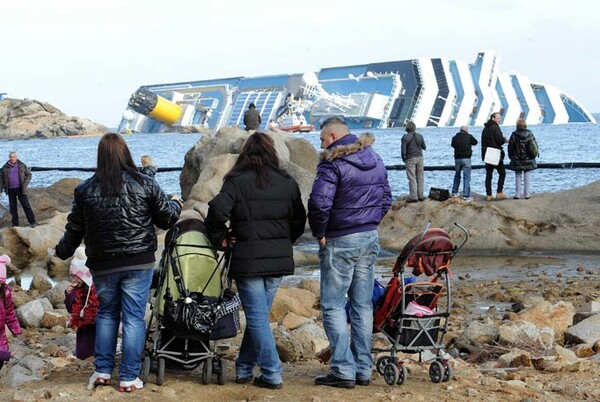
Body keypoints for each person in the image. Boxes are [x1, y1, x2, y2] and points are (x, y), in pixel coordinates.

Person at [54, 133, 182, 392]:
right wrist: (176, 203)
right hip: (138, 262)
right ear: (126, 153)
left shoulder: (85, 190)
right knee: (134, 317)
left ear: (100, 156)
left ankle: (102, 371)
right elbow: (166, 219)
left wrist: (61, 251)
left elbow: (74, 229)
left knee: (107, 314)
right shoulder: (144, 183)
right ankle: (128, 377)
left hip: (103, 264)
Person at [206, 132, 306, 390]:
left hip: (248, 260)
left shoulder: (236, 181)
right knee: (258, 315)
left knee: (258, 316)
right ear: (272, 153)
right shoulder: (287, 181)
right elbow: (299, 219)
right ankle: (244, 367)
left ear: (245, 154)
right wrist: (286, 241)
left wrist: (221, 239)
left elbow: (216, 212)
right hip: (277, 260)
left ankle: (272, 373)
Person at [308, 117, 391, 388]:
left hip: (340, 239)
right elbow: (387, 196)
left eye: (321, 139)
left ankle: (343, 369)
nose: (320, 144)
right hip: (368, 237)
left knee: (332, 304)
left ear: (333, 136)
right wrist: (370, 222)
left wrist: (320, 233)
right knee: (363, 304)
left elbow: (319, 203)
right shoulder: (374, 157)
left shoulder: (332, 162)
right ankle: (363, 368)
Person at [64, 256, 99, 360]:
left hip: (96, 323)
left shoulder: (95, 289)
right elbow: (71, 309)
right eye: (72, 276)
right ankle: (82, 358)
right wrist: (69, 295)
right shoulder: (75, 291)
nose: (74, 280)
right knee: (83, 348)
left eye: (76, 277)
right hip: (83, 326)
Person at [0, 152, 37, 227]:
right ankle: (15, 225)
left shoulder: (22, 165)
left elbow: (29, 174)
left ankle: (32, 222)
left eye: (14, 157)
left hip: (21, 189)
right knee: (13, 208)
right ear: (9, 158)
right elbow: (1, 180)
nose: (12, 158)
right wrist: (0, 191)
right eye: (11, 157)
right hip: (10, 190)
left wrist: (25, 184)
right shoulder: (4, 167)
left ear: (16, 157)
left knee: (26, 206)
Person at [508, 119, 539, 200]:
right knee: (527, 176)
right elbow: (535, 145)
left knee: (518, 176)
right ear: (525, 125)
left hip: (517, 158)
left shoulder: (514, 134)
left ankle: (517, 194)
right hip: (528, 158)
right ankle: (527, 194)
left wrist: (510, 156)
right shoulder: (530, 134)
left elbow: (510, 147)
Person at [0, 254, 21, 371]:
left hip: (1, 335)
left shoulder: (5, 293)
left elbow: (9, 313)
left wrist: (15, 329)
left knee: (1, 359)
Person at [481, 112, 508, 201]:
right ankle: (499, 192)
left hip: (487, 154)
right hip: (495, 153)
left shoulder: (485, 129)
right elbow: (499, 140)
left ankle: (489, 194)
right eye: (498, 118)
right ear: (493, 118)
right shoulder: (495, 128)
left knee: (489, 174)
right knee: (502, 173)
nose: (499, 120)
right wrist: (504, 139)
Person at [451, 126, 478, 201]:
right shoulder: (469, 136)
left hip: (457, 159)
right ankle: (466, 196)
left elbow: (452, 145)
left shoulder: (455, 137)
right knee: (466, 177)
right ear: (466, 130)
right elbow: (475, 142)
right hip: (466, 158)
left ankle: (454, 192)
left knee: (457, 175)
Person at [401, 121, 426, 202]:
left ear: (407, 128)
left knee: (412, 178)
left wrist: (404, 159)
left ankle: (413, 196)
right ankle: (421, 195)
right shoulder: (420, 136)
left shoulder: (405, 137)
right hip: (420, 157)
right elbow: (424, 147)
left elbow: (403, 151)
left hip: (410, 158)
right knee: (420, 177)